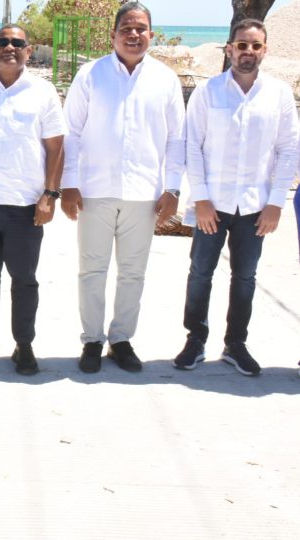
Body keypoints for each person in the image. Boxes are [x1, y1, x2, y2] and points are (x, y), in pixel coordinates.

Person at [61, 1, 185, 374]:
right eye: (127, 28)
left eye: (141, 28)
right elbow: (72, 132)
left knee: (133, 272)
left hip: (144, 193)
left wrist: (174, 188)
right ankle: (92, 341)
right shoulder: (90, 75)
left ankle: (121, 339)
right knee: (92, 270)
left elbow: (177, 139)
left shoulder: (165, 79)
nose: (134, 34)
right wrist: (68, 183)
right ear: (113, 34)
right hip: (94, 190)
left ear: (150, 34)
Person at [173, 18, 298, 376]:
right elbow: (191, 146)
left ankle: (235, 344)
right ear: (229, 49)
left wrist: (275, 202)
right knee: (200, 272)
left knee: (245, 276)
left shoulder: (278, 94)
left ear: (265, 50)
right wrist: (201, 198)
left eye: (255, 46)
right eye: (241, 45)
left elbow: (289, 149)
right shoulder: (209, 91)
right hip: (212, 202)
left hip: (256, 205)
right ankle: (194, 340)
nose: (248, 52)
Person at [0, 24, 65, 376]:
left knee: (24, 279)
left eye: (16, 43)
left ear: (28, 50)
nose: (9, 47)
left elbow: (56, 148)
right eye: (2, 42)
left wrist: (50, 195)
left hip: (25, 206)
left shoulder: (43, 92)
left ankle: (24, 344)